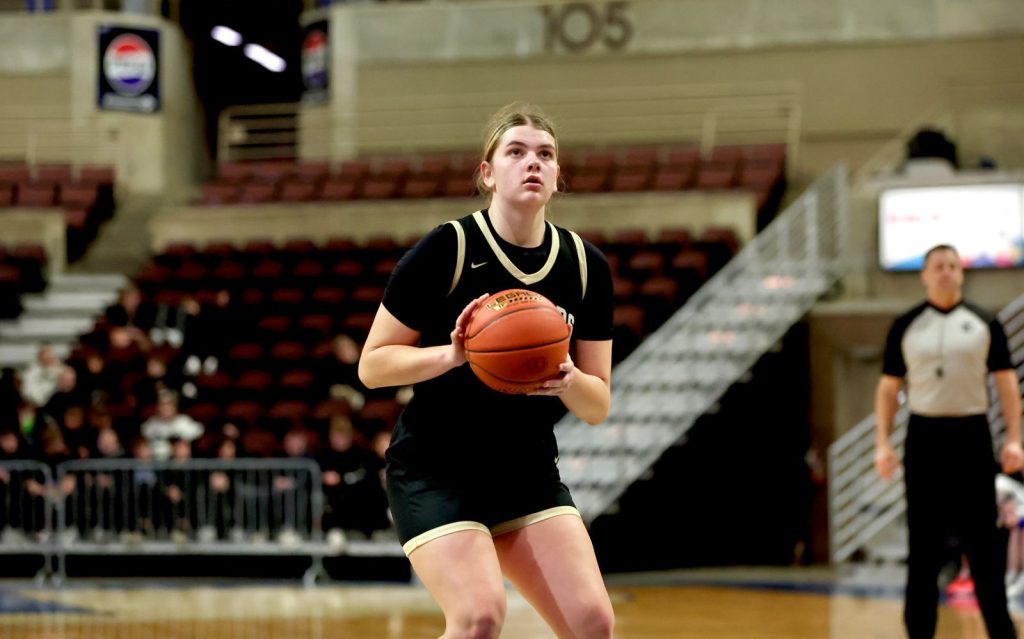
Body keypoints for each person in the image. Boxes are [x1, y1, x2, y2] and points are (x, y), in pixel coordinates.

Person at [359, 103, 615, 639]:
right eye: (515, 152)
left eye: (546, 154)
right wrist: (452, 355)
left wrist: (570, 379)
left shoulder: (585, 266)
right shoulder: (447, 249)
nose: (533, 163)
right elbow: (373, 366)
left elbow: (597, 406)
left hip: (525, 471)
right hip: (435, 468)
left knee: (592, 622)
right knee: (479, 617)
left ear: (558, 175)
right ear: (487, 173)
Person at [874, 244, 1023, 638]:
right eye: (938, 266)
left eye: (953, 266)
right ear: (924, 275)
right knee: (923, 548)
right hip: (924, 438)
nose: (946, 272)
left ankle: (1001, 632)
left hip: (972, 437)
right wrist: (882, 443)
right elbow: (888, 388)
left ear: (962, 273)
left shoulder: (984, 322)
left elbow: (1007, 383)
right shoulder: (906, 325)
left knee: (984, 546)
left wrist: (1014, 439)